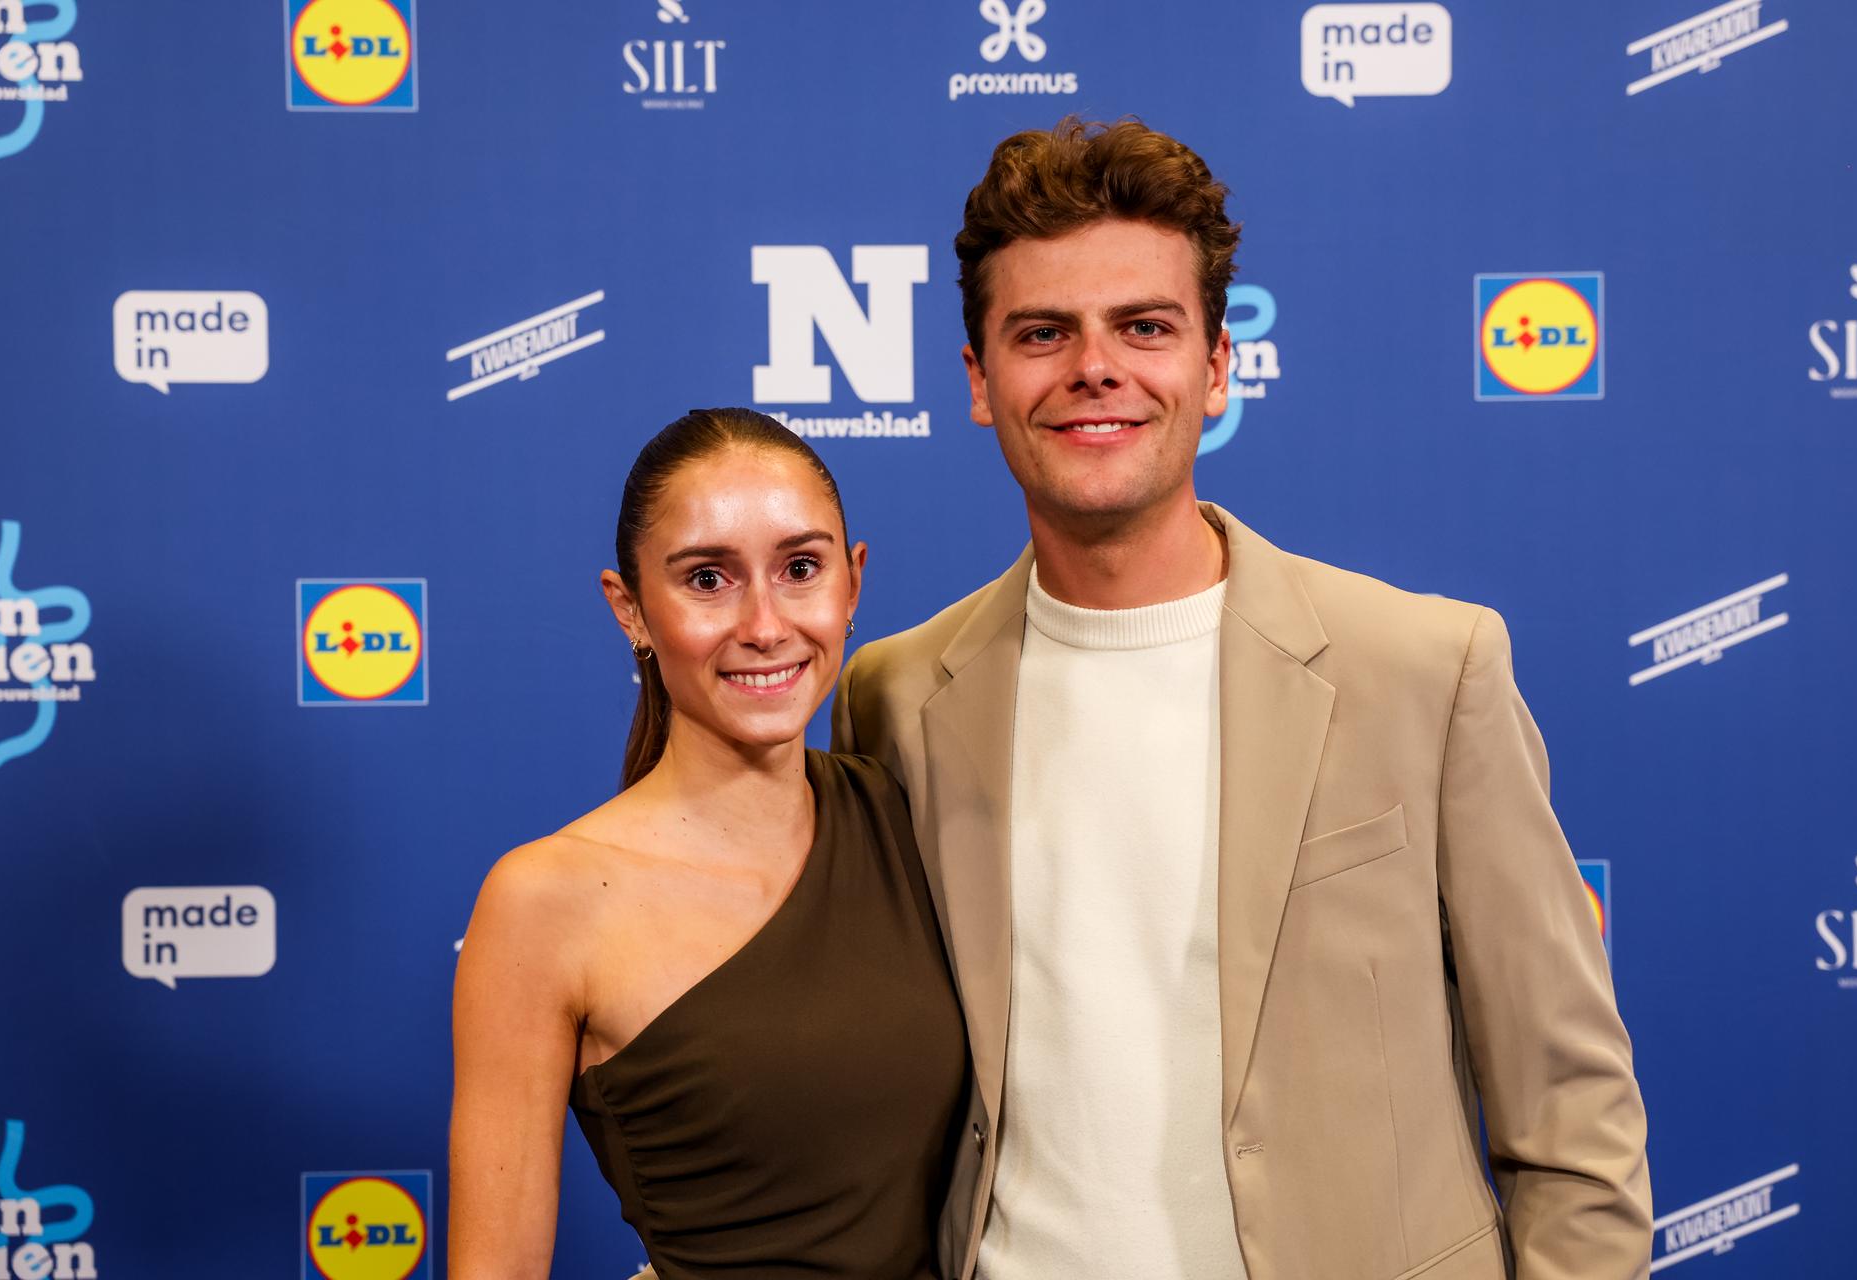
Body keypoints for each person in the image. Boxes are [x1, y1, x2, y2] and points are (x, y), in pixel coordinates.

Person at [832, 118, 1653, 1280]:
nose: (1094, 368)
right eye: (1041, 333)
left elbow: (1571, 1115)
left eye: (1145, 327)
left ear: (1218, 366)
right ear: (979, 380)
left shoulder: (1428, 666)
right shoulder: (892, 694)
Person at [449, 408, 968, 1280]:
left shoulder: (914, 823)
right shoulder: (545, 900)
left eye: (800, 568)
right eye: (707, 580)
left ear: (852, 584)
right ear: (631, 610)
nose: (764, 624)